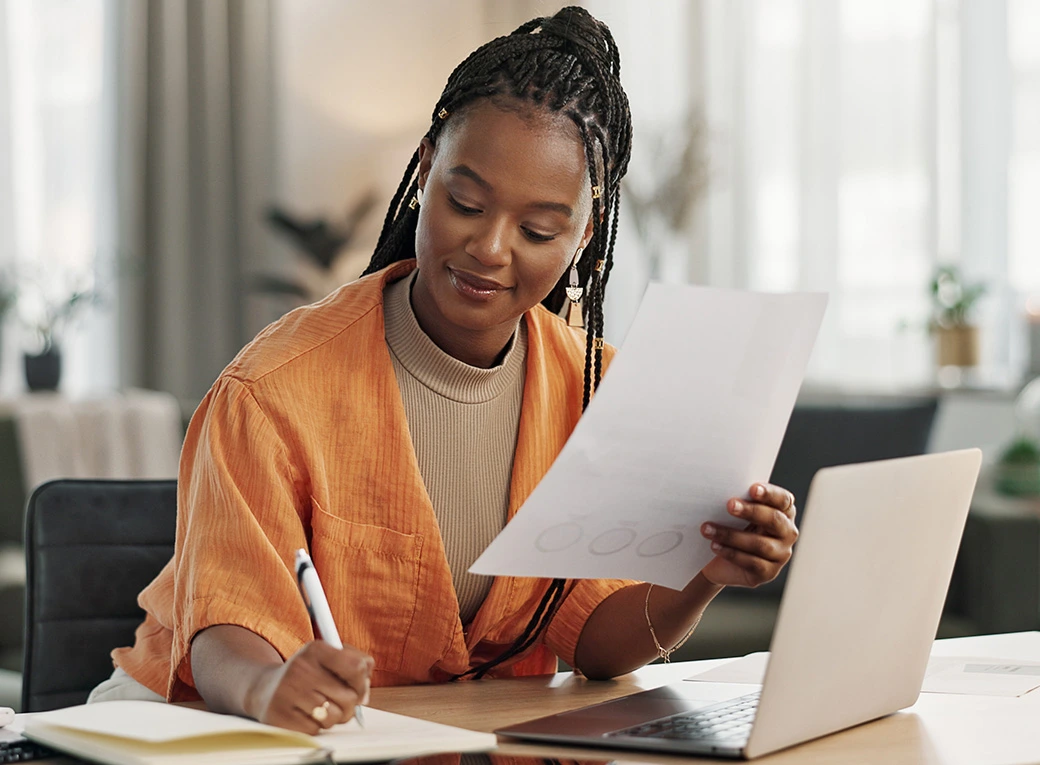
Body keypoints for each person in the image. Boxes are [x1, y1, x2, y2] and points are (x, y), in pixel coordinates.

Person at [91, 6, 799, 734]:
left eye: (537, 230)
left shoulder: (596, 393)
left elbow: (597, 645)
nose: (491, 248)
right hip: (205, 726)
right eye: (466, 203)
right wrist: (272, 684)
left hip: (426, 736)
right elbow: (223, 634)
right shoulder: (272, 390)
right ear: (426, 170)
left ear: (583, 235)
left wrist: (706, 574)